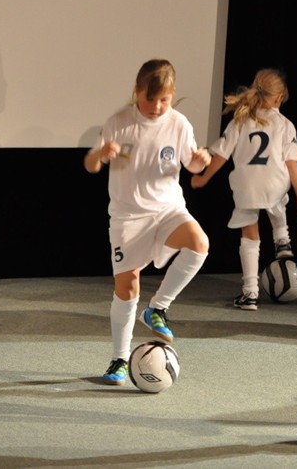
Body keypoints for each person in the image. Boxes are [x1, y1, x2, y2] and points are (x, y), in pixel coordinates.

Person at [84, 59, 211, 386]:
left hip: (168, 209)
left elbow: (193, 164)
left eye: (164, 100)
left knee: (199, 244)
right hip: (128, 217)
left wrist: (201, 161)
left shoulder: (179, 124)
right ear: (137, 92)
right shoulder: (119, 122)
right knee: (128, 288)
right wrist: (100, 155)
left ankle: (157, 308)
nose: (156, 106)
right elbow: (90, 164)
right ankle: (119, 358)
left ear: (172, 95)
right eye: (149, 98)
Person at [191, 68, 297, 310]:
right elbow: (291, 162)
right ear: (279, 98)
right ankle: (282, 240)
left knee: (250, 236)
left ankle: (250, 293)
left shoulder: (240, 120)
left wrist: (203, 178)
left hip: (246, 187)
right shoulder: (286, 125)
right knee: (277, 193)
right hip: (275, 184)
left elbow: (221, 155)